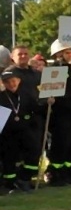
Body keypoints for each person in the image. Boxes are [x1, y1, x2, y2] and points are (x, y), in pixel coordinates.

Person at [43, 38, 71, 186]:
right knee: (61, 145)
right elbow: (60, 96)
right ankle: (55, 174)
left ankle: (68, 173)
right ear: (58, 54)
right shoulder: (55, 70)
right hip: (62, 115)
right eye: (67, 52)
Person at [0, 64, 41, 193]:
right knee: (9, 157)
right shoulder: (1, 96)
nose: (12, 84)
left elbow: (36, 108)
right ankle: (10, 183)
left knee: (34, 150)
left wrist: (47, 102)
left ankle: (24, 178)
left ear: (18, 80)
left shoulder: (25, 94)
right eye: (8, 82)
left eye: (13, 81)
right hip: (7, 132)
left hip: (24, 129)